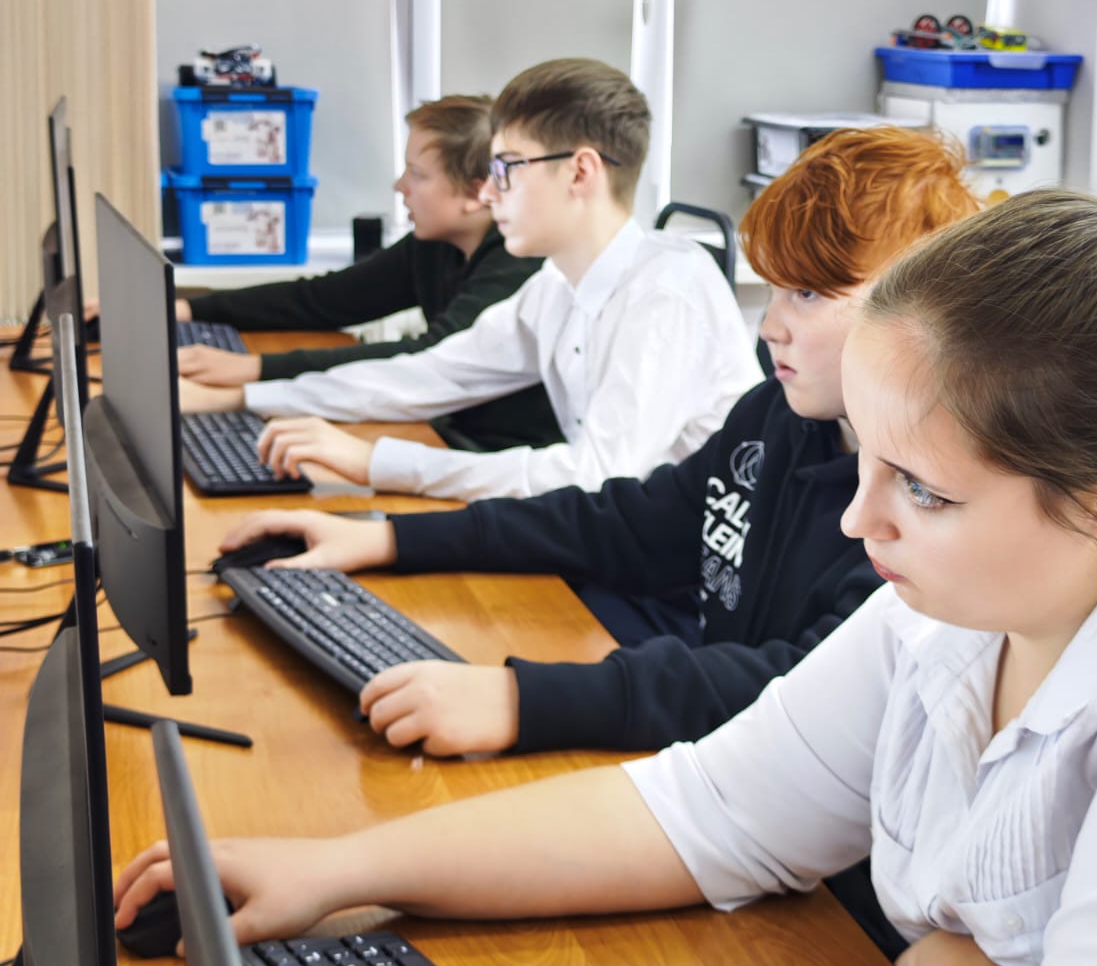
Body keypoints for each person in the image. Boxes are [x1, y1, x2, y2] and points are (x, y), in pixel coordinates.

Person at [118, 190, 1097, 966]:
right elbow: (709, 807)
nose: (857, 519)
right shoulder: (947, 608)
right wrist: (340, 871)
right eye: (868, 462)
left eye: (924, 488)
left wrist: (945, 964)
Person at [213, 127, 979, 760]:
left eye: (806, 294)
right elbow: (624, 522)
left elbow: (800, 687)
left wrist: (525, 700)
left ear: (917, 311)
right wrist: (384, 539)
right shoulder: (777, 418)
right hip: (720, 760)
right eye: (774, 289)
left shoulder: (928, 508)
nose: (770, 325)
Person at [179, 58, 761, 501]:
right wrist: (248, 399)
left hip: (684, 588)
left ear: (580, 172)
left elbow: (598, 478)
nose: (488, 193)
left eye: (505, 169)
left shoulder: (665, 292)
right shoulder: (556, 285)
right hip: (617, 544)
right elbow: (433, 373)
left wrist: (377, 462)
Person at [171, 94, 562, 454]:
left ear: (477, 193)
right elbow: (326, 298)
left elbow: (427, 357)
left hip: (500, 457)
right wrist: (188, 310)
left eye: (417, 174)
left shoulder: (519, 264)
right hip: (443, 432)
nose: (400, 186)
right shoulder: (436, 243)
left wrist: (255, 370)